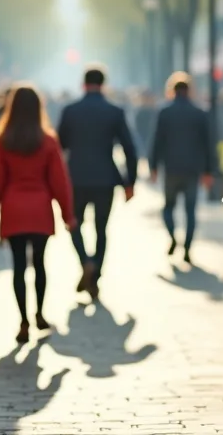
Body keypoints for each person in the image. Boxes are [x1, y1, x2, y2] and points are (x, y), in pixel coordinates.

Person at [0, 84, 76, 343]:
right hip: (40, 210)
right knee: (40, 264)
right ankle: (40, 313)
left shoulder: (3, 141)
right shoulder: (47, 141)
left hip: (13, 209)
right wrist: (68, 214)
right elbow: (60, 181)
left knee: (18, 268)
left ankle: (22, 320)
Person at [57, 64, 137, 300]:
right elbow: (129, 148)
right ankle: (96, 274)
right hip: (105, 178)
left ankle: (85, 261)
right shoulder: (114, 111)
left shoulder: (70, 111)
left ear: (83, 84)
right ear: (104, 84)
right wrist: (129, 182)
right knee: (101, 229)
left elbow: (60, 146)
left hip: (76, 177)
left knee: (74, 224)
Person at [148, 72, 216, 264]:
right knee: (190, 211)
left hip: (170, 168)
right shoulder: (199, 113)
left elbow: (156, 141)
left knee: (168, 207)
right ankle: (187, 247)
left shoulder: (165, 112)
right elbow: (208, 144)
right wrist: (209, 171)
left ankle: (172, 237)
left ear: (171, 90)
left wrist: (153, 167)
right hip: (192, 170)